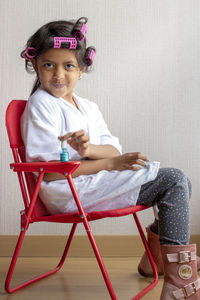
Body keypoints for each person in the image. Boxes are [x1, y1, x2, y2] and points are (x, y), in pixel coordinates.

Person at [20, 17, 200, 299]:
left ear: (81, 69)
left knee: (181, 182)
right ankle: (180, 282)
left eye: (68, 65)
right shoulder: (41, 105)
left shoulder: (88, 107)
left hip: (94, 181)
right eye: (48, 65)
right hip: (68, 191)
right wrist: (108, 164)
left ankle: (156, 258)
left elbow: (113, 149)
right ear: (36, 66)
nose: (58, 74)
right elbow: (51, 172)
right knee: (175, 180)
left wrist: (90, 150)